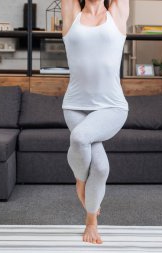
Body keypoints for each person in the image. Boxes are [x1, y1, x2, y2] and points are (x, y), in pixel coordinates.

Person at [61, 0, 130, 245]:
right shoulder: (72, 13)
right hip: (75, 106)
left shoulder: (117, 13)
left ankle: (80, 185)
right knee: (99, 167)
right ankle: (91, 219)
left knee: (80, 138)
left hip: (112, 107)